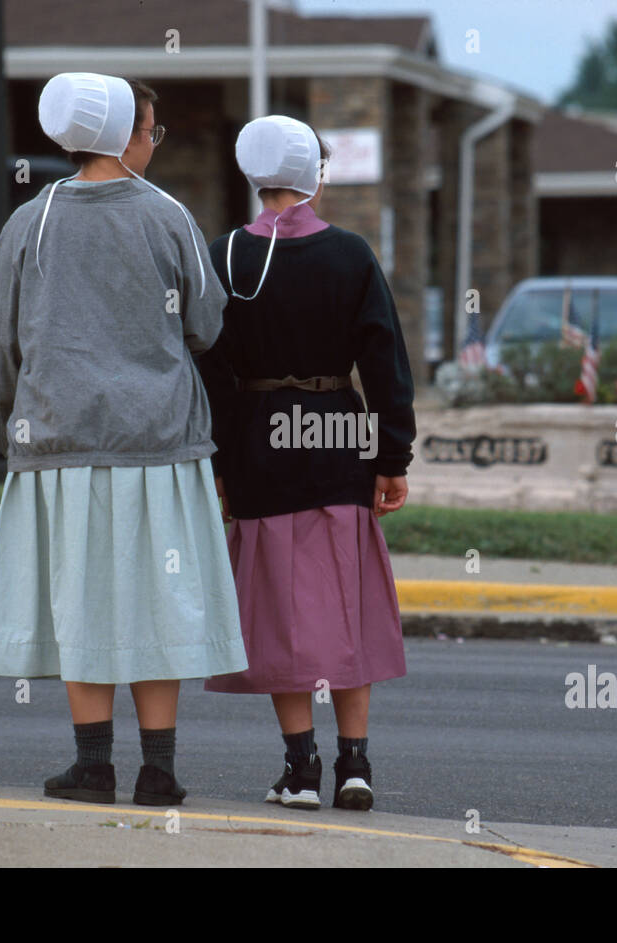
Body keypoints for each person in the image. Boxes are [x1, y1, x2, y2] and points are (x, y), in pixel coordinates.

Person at [0, 73, 246, 806]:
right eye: (150, 131)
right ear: (124, 134)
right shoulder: (168, 215)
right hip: (158, 440)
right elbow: (206, 322)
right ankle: (158, 769)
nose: (153, 143)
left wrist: (13, 418)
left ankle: (91, 764)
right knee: (156, 602)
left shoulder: (29, 221)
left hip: (59, 441)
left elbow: (4, 342)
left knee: (82, 602)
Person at [200, 115, 416, 811]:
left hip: (260, 443)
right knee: (348, 606)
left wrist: (222, 461)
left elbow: (213, 371)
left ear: (253, 175)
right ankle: (356, 764)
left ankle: (300, 767)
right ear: (314, 174)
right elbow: (384, 358)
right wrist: (392, 452)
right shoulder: (351, 254)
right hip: (334, 439)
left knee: (279, 612)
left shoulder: (226, 255)